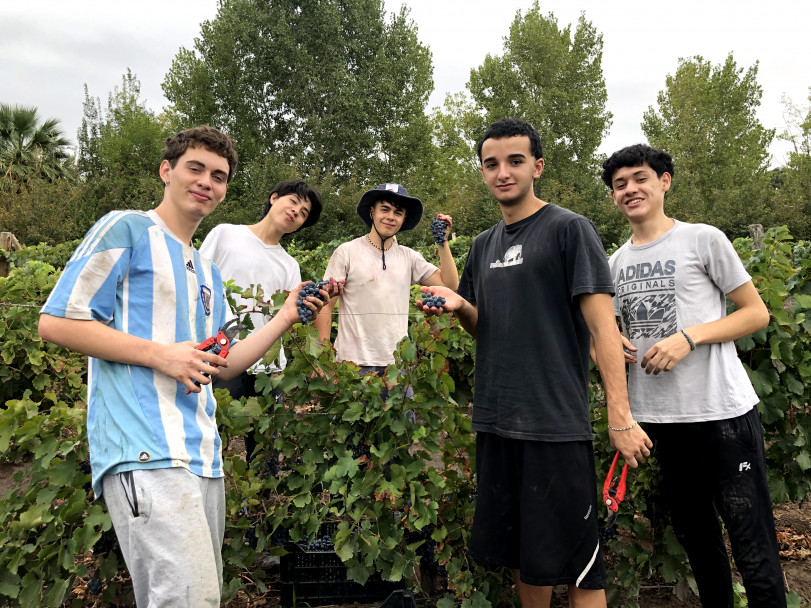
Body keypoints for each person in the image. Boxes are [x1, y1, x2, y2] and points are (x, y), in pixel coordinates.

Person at [37, 126, 327, 607]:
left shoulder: (207, 272)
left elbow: (225, 363)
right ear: (166, 170)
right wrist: (162, 354)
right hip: (144, 446)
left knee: (200, 595)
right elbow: (57, 322)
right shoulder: (126, 228)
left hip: (202, 454)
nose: (206, 182)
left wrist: (285, 315)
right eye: (195, 168)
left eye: (219, 176)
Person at [418, 118, 651, 608]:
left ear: (537, 167)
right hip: (498, 422)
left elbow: (603, 329)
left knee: (582, 567)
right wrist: (462, 307)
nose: (503, 172)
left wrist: (620, 415)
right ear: (483, 172)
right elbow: (489, 329)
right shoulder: (483, 245)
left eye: (515, 161)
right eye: (492, 163)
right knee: (528, 554)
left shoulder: (569, 230)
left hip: (554, 426)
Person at [601, 143, 785, 607]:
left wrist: (689, 337)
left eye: (640, 178)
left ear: (664, 182)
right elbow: (605, 333)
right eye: (619, 184)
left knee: (752, 544)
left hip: (722, 416)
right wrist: (613, 343)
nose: (630, 189)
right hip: (664, 422)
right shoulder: (614, 264)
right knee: (699, 544)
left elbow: (755, 313)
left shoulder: (703, 239)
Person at [200, 180, 335, 462]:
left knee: (263, 449)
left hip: (268, 366)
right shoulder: (226, 234)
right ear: (274, 198)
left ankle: (259, 503)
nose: (297, 211)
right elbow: (197, 286)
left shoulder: (289, 265)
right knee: (212, 439)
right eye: (294, 201)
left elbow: (292, 316)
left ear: (301, 225)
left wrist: (323, 301)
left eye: (304, 212)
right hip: (222, 356)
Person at [314, 183, 458, 376]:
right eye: (385, 209)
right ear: (372, 212)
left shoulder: (409, 257)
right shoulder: (347, 252)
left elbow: (449, 286)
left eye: (398, 212)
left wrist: (443, 242)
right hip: (351, 364)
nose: (391, 217)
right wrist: (323, 355)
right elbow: (325, 304)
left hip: (397, 366)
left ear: (403, 218)